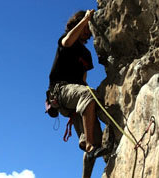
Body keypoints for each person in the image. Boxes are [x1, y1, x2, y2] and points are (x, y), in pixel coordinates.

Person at [48, 9, 106, 161]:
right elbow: (67, 42)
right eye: (85, 28)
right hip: (60, 90)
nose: (88, 32)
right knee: (88, 93)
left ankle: (88, 149)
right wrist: (86, 19)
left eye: (89, 29)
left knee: (97, 141)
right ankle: (88, 144)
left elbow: (83, 79)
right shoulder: (66, 40)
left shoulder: (86, 54)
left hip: (75, 96)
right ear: (78, 24)